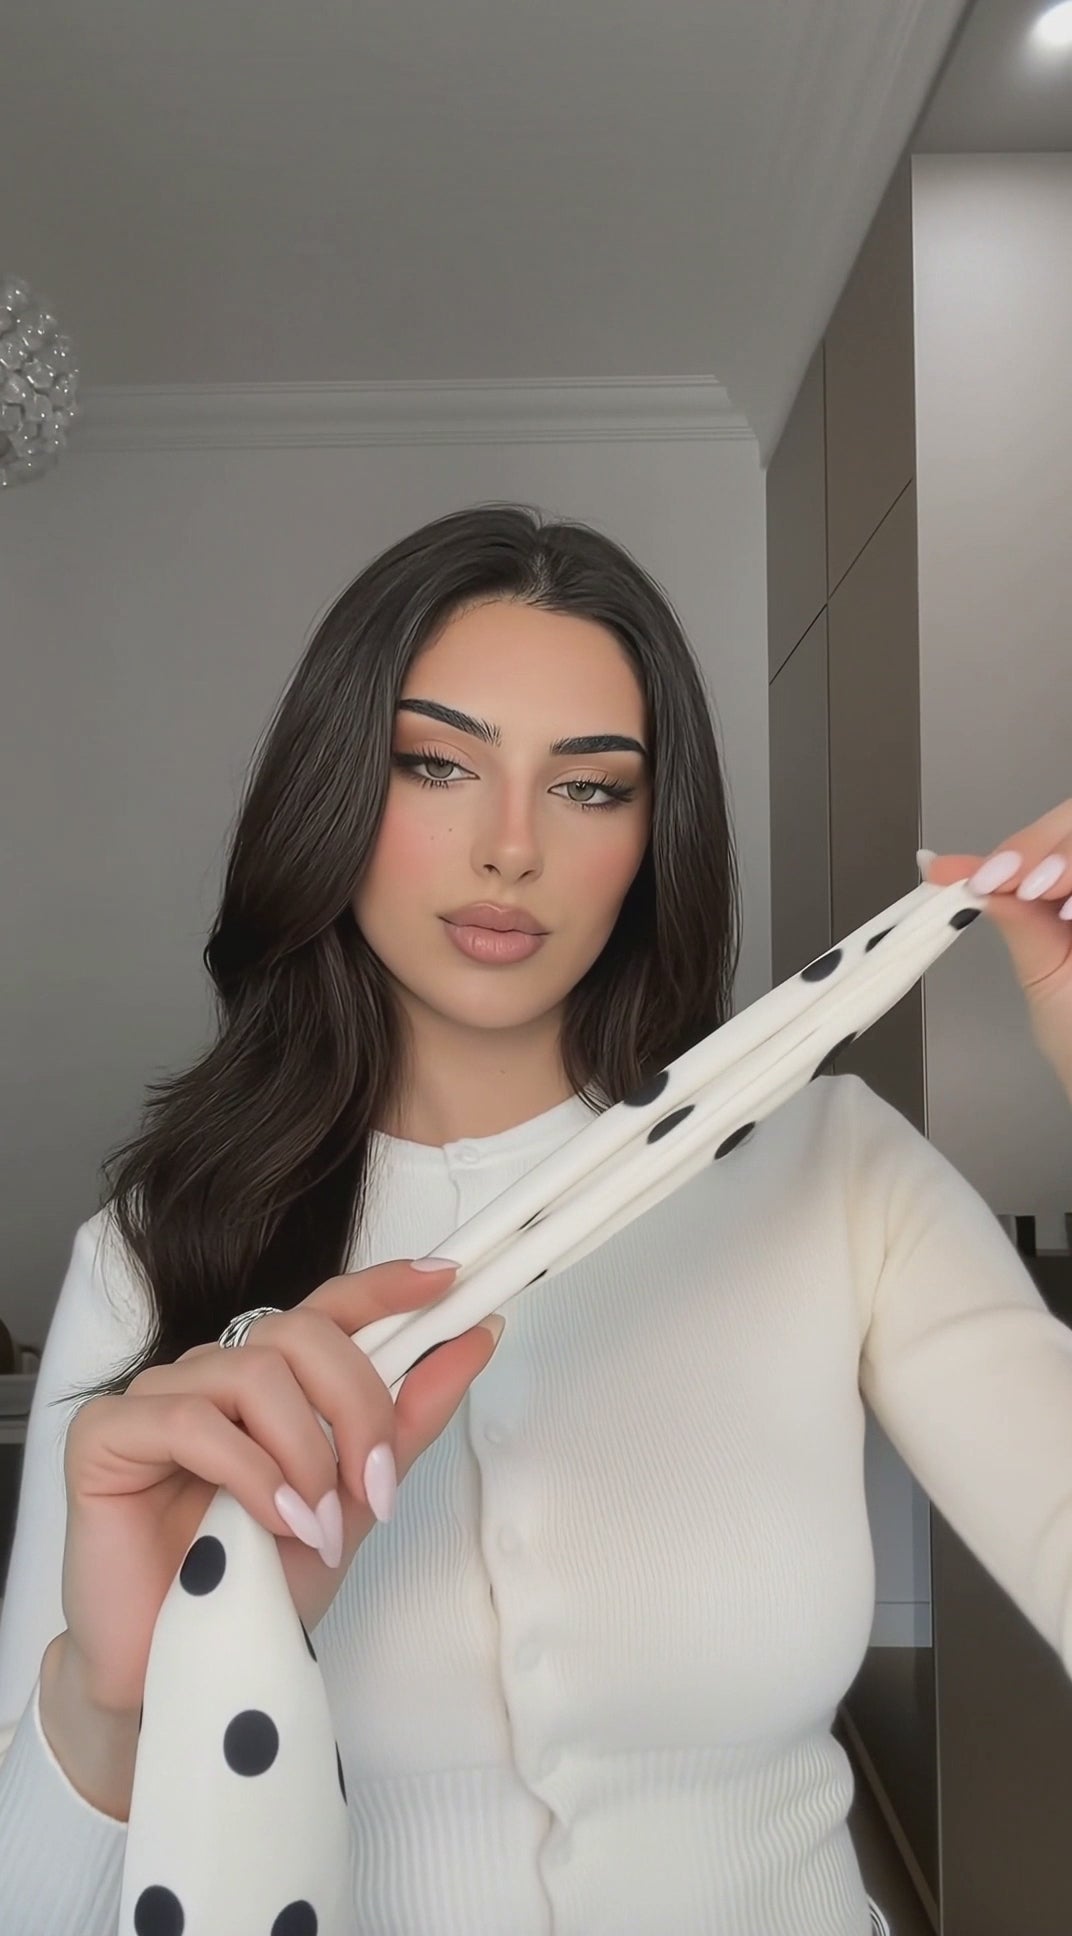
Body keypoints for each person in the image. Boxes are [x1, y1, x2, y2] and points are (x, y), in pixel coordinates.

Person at [0, 503, 1070, 1936]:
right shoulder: (149, 1252)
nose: (510, 849)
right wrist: (110, 1704)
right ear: (336, 791)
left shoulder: (831, 1170)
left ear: (652, 834)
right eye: (436, 764)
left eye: (589, 787)